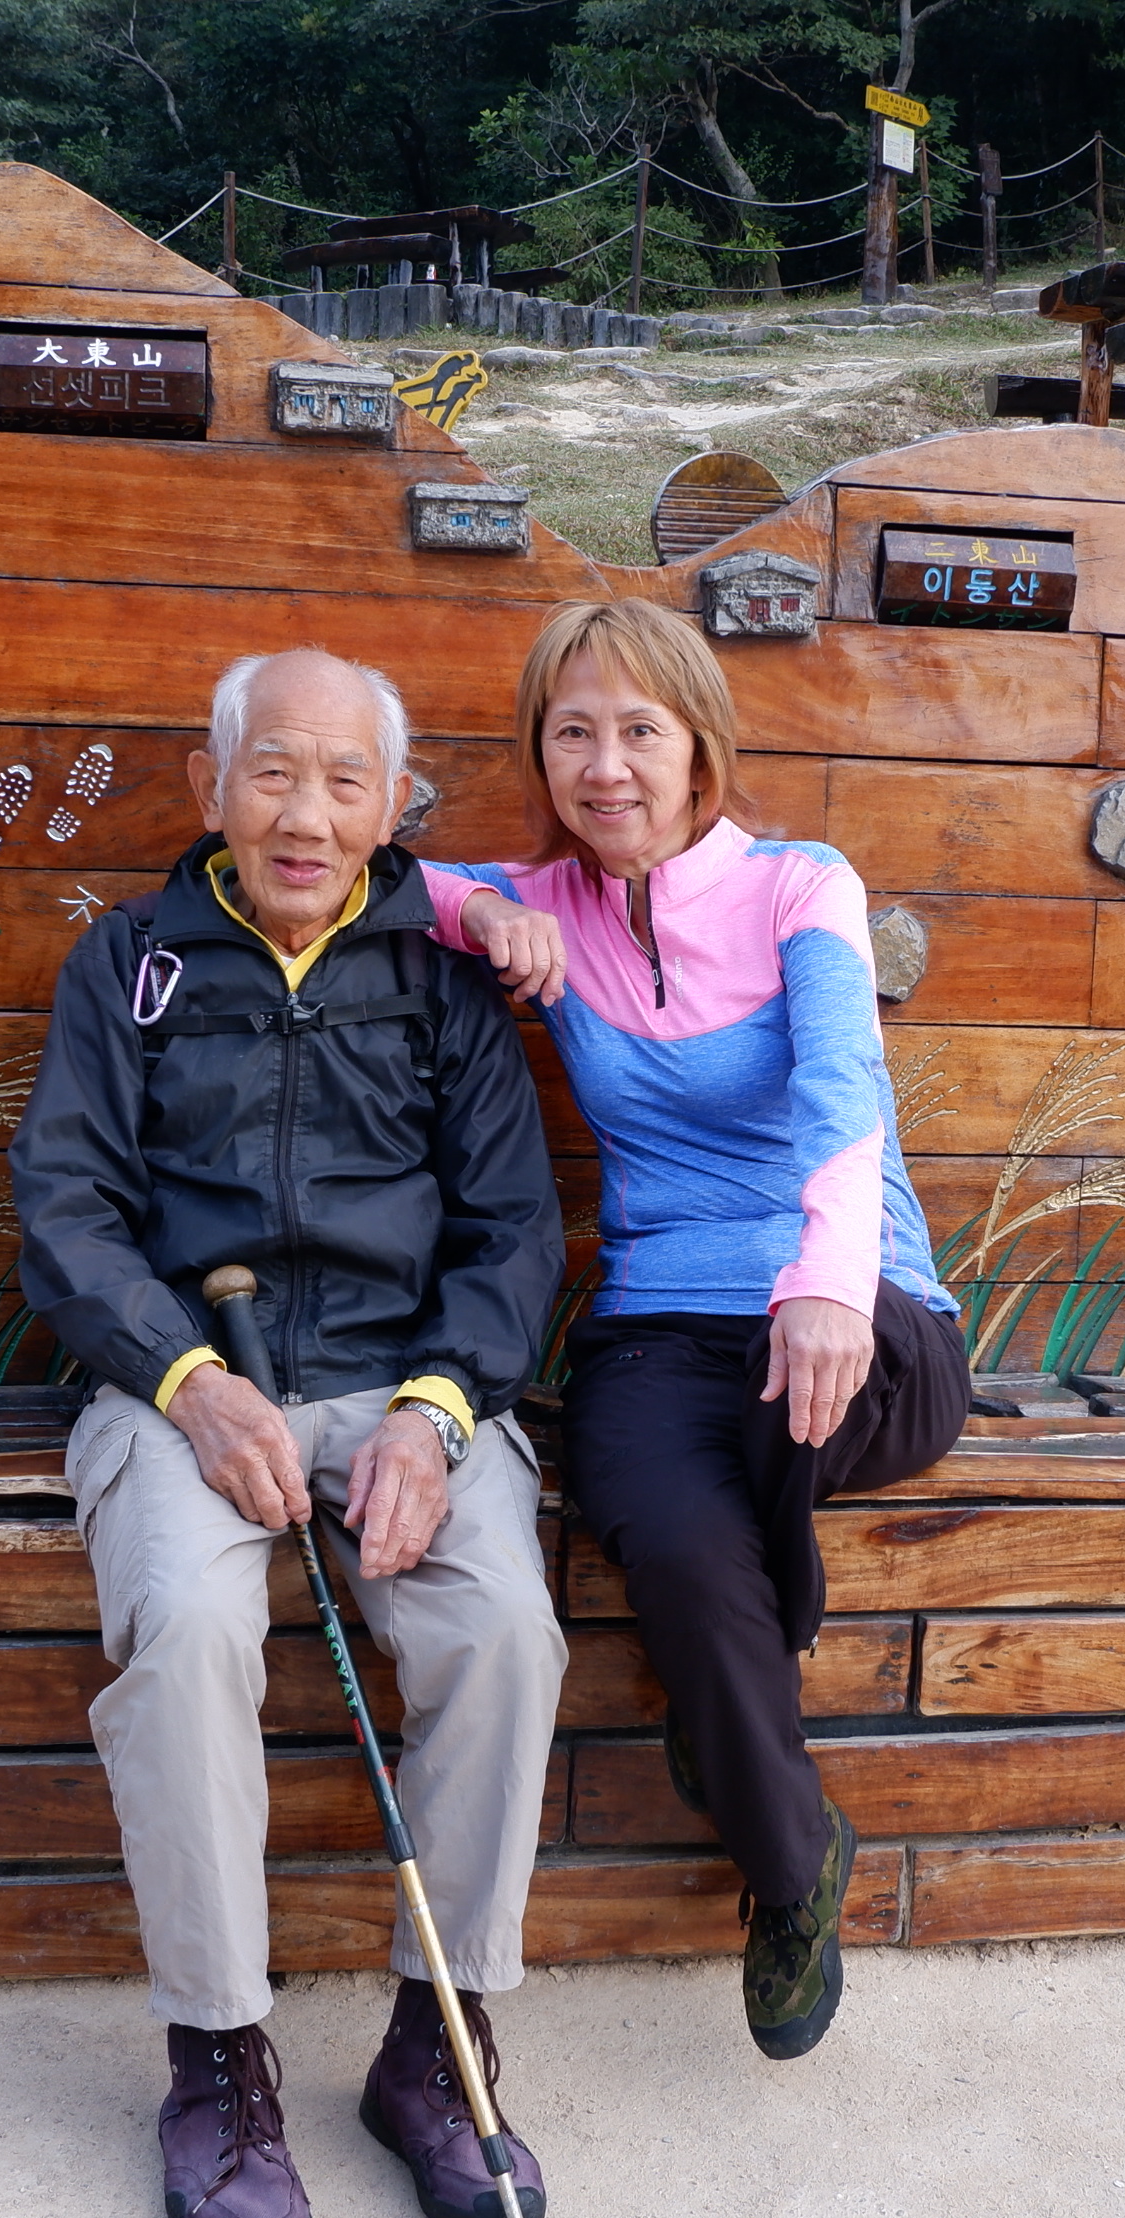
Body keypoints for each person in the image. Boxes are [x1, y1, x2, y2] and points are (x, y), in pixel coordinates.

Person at [10, 647, 567, 2218]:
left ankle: (438, 2047)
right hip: (180, 1385)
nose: (305, 815)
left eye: (344, 782)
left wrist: (438, 1412)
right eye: (273, 772)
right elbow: (65, 1208)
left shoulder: (446, 980)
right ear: (212, 788)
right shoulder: (130, 965)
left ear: (395, 808)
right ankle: (218, 2064)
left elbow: (513, 1232)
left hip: (408, 1388)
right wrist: (186, 1381)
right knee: (188, 1631)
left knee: (505, 1632)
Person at [423, 599, 969, 2063]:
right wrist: (483, 913)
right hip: (662, 1320)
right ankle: (793, 1866)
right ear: (541, 757)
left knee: (788, 1409)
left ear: (699, 746)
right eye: (573, 734)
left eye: (639, 731)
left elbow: (845, 1087)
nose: (606, 767)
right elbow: (377, 877)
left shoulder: (802, 886)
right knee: (664, 1529)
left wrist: (830, 1282)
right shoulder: (544, 902)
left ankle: (740, 1683)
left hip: (865, 1306)